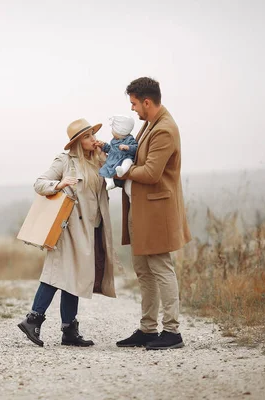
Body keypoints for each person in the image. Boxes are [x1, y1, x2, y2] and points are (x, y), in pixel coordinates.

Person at [17, 118, 117, 347]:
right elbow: (39, 183)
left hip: (92, 227)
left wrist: (109, 151)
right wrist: (59, 185)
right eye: (88, 136)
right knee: (57, 272)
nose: (93, 139)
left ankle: (69, 331)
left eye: (93, 134)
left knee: (76, 276)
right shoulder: (65, 161)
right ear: (77, 142)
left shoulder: (99, 158)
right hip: (69, 227)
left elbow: (116, 173)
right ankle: (33, 319)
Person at [114, 77, 192, 350]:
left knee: (161, 267)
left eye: (135, 104)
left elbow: (150, 172)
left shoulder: (164, 130)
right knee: (143, 270)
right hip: (140, 210)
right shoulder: (149, 124)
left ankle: (172, 332)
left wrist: (122, 170)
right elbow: (137, 157)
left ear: (147, 102)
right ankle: (148, 329)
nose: (133, 109)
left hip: (157, 212)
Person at [97, 115, 138, 190]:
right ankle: (110, 183)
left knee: (128, 161)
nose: (112, 132)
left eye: (113, 129)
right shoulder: (114, 140)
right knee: (105, 169)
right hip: (113, 160)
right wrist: (103, 145)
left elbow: (136, 148)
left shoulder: (129, 139)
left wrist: (127, 147)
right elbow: (111, 150)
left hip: (124, 158)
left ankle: (122, 170)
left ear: (121, 131)